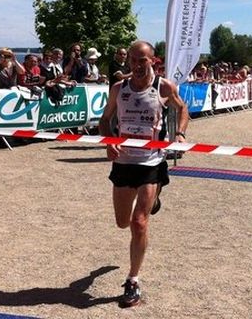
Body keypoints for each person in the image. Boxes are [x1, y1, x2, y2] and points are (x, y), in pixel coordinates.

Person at [99, 40, 189, 308]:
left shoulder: (163, 87)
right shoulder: (118, 88)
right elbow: (105, 120)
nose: (138, 65)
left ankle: (133, 279)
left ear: (153, 61)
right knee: (122, 222)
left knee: (140, 223)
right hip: (124, 162)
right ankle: (154, 199)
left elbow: (182, 108)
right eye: (133, 60)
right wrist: (109, 140)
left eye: (143, 60)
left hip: (151, 162)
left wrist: (181, 133)